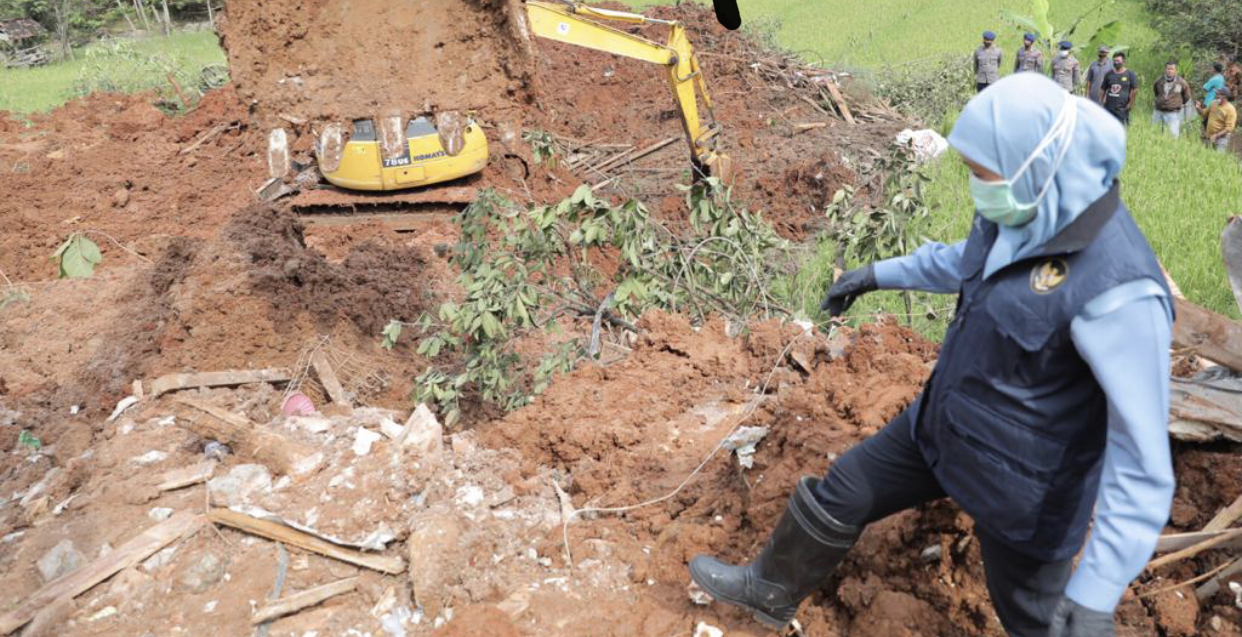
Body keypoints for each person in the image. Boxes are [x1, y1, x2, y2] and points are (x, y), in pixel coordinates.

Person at [689, 73, 1174, 637]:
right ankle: (770, 589)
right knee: (845, 488)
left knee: (1037, 618)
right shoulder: (1025, 204)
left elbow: (1142, 467)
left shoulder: (1120, 292)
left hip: (1024, 487)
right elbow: (962, 260)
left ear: (1035, 163)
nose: (976, 188)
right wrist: (875, 275)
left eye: (981, 174)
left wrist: (1096, 592)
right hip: (942, 426)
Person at [1152, 60, 1193, 138]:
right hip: (1158, 111)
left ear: (1175, 71)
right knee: (1154, 132)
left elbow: (1187, 97)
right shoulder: (1159, 81)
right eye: (1168, 69)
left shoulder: (1181, 82)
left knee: (1173, 135)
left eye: (1172, 69)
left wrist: (1176, 103)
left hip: (1173, 113)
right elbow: (1156, 92)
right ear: (1165, 70)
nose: (1169, 71)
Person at [1099, 51, 1138, 125]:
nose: (1116, 63)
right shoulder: (1109, 74)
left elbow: (1135, 89)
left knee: (1122, 129)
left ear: (1123, 62)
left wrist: (1130, 104)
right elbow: (1103, 89)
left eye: (1118, 61)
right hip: (1108, 108)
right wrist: (1101, 101)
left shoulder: (1130, 74)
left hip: (1122, 109)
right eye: (1114, 61)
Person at [1204, 87, 1237, 152]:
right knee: (1207, 155)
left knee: (1218, 156)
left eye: (1218, 94)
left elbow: (1229, 128)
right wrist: (1198, 107)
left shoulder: (1230, 109)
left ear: (1224, 97)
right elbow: (1204, 113)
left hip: (1222, 138)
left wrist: (1216, 135)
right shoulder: (1213, 103)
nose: (1216, 96)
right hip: (1210, 135)